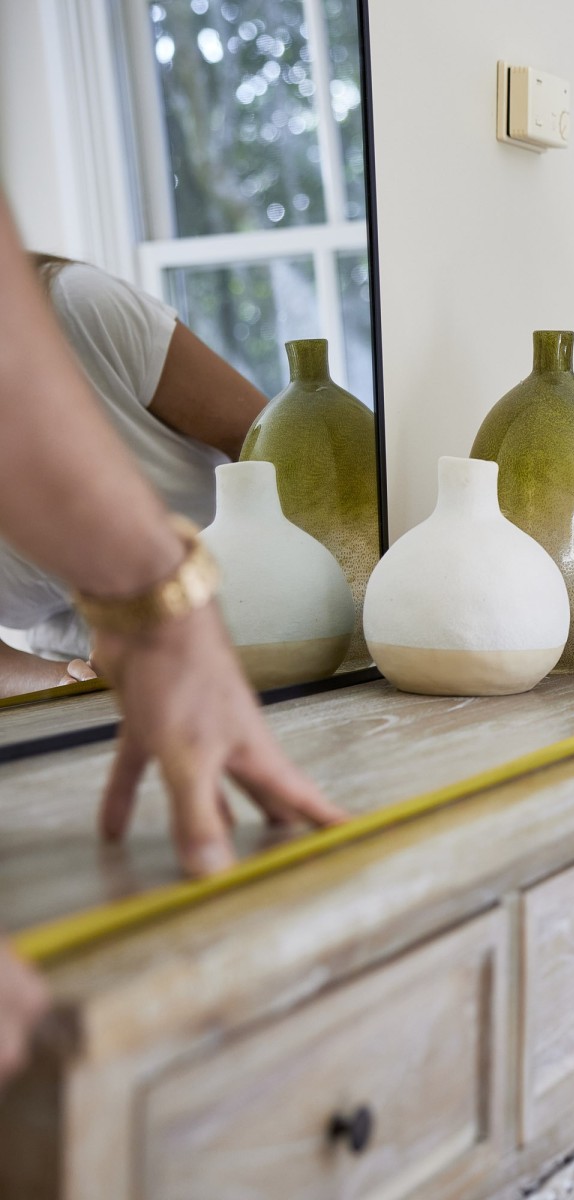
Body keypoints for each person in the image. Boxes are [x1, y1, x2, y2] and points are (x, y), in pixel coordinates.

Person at [0, 196, 345, 1087]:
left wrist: (191, 611)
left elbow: (284, 449)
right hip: (84, 694)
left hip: (265, 645)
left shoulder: (80, 312)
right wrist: (56, 676)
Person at [0, 253, 267, 697]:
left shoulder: (77, 309)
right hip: (86, 683)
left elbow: (283, 450)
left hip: (257, 623)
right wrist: (75, 682)